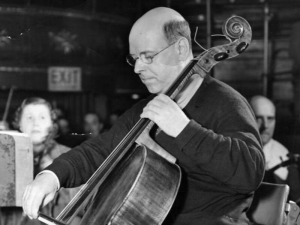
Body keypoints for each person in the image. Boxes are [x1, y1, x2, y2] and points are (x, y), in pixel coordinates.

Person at [22, 7, 264, 225]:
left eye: (147, 56)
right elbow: (102, 149)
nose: (138, 68)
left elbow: (250, 172)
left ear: (180, 48)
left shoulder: (226, 102)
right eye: (134, 59)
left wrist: (183, 128)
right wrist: (53, 176)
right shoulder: (145, 110)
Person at [0, 97, 81, 225]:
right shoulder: (5, 153)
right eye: (29, 118)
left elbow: (79, 206)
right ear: (19, 124)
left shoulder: (69, 155)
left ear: (52, 124)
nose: (35, 123)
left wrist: (56, 172)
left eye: (42, 117)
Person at [249, 95, 300, 203]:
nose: (266, 125)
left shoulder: (284, 154)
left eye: (270, 118)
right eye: (258, 118)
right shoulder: (233, 148)